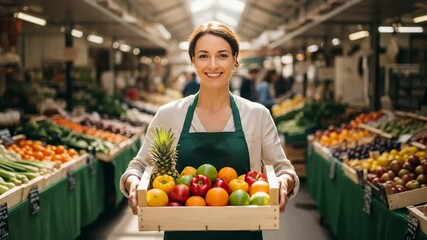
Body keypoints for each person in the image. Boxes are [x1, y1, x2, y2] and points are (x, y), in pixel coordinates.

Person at [120, 21, 299, 240]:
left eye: (222, 55)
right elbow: (138, 166)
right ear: (193, 60)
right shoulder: (169, 115)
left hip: (243, 232)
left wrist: (283, 183)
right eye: (204, 56)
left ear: (235, 59)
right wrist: (133, 183)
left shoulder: (256, 115)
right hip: (182, 233)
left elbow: (282, 168)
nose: (213, 65)